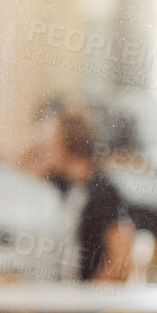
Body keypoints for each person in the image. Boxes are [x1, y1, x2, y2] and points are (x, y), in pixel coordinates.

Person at [17, 104, 136, 282]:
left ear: (66, 144)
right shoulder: (64, 183)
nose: (45, 148)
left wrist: (90, 298)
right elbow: (20, 163)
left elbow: (120, 257)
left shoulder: (103, 190)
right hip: (64, 292)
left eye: (51, 141)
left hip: (86, 299)